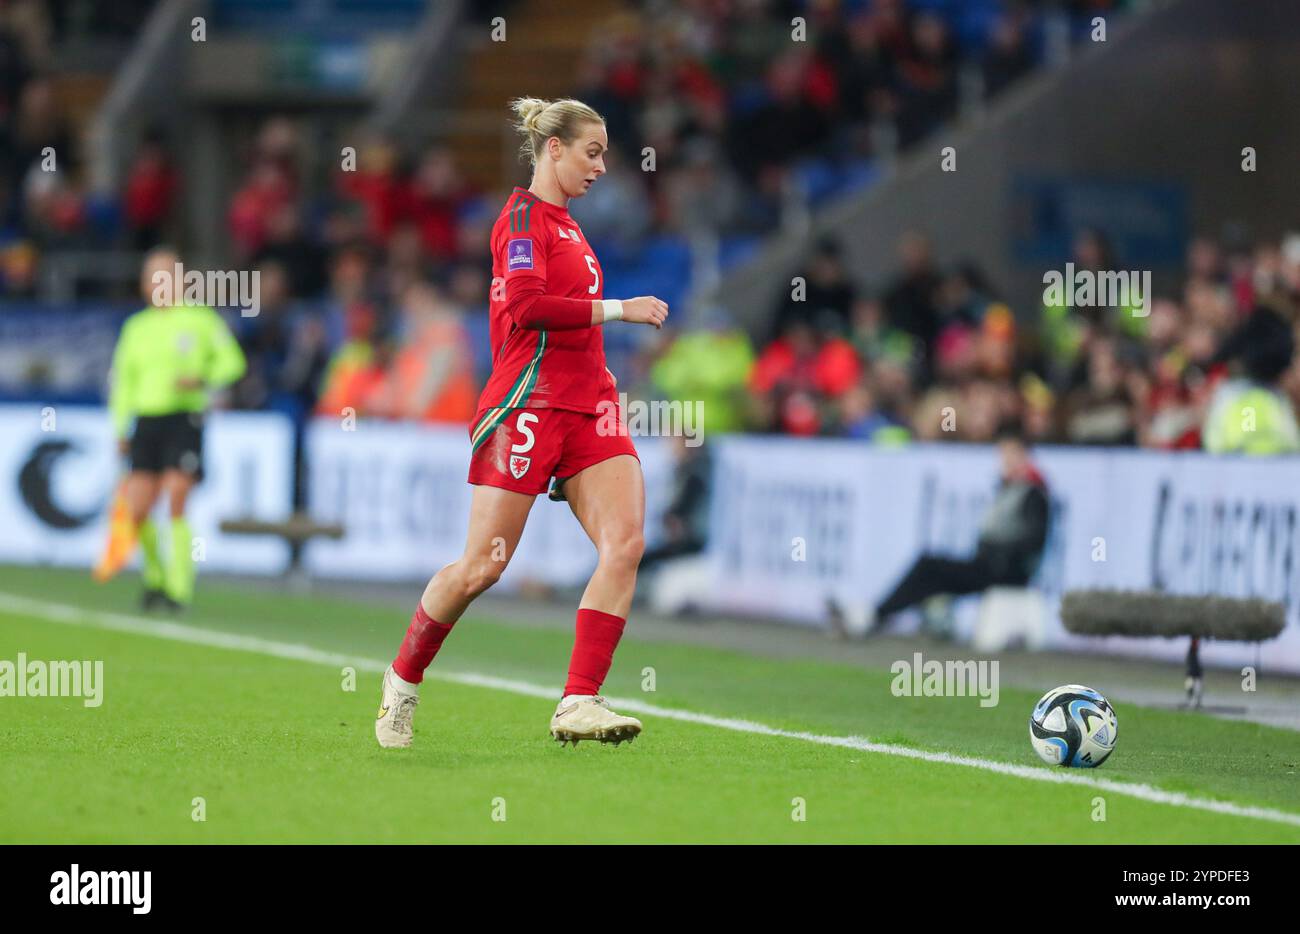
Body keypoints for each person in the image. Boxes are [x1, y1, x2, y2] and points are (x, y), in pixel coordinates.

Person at [375, 97, 669, 749]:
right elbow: (532, 307)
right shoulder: (519, 220)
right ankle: (402, 679)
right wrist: (618, 309)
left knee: (626, 543)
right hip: (526, 408)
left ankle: (578, 700)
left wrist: (603, 372)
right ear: (554, 149)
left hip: (590, 407)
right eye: (591, 153)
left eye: (606, 155)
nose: (600, 168)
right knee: (482, 568)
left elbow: (566, 322)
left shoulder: (573, 231)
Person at [94, 246, 247, 610]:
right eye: (153, 276)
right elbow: (123, 383)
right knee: (138, 506)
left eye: (167, 275)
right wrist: (120, 428)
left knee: (177, 494)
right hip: (147, 421)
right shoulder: (136, 328)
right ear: (145, 284)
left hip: (184, 419)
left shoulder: (201, 320)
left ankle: (179, 588)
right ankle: (156, 578)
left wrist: (203, 379)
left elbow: (233, 363)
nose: (159, 283)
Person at [828, 425, 1049, 637]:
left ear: (1024, 455)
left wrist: (996, 552)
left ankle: (873, 616)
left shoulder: (1033, 493)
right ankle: (874, 617)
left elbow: (1032, 541)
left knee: (928, 568)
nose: (1004, 460)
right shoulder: (1010, 488)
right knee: (929, 575)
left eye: (1010, 454)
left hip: (1004, 571)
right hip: (991, 565)